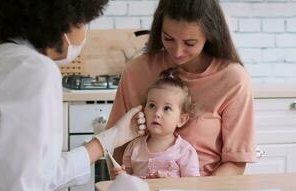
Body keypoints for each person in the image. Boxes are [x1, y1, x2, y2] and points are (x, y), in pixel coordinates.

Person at [0, 0, 149, 191]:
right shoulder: (34, 69)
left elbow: (37, 172)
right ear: (66, 19)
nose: (85, 31)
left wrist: (110, 138)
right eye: (84, 22)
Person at [107, 0, 256, 176]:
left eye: (190, 43)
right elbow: (115, 147)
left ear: (210, 35)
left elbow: (235, 162)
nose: (177, 52)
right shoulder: (136, 71)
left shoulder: (234, 79)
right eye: (168, 38)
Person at [111, 68, 200, 179]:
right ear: (144, 110)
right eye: (152, 106)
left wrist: (172, 184)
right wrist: (120, 176)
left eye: (167, 108)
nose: (157, 114)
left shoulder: (185, 151)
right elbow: (127, 181)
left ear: (181, 120)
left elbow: (193, 186)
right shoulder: (134, 147)